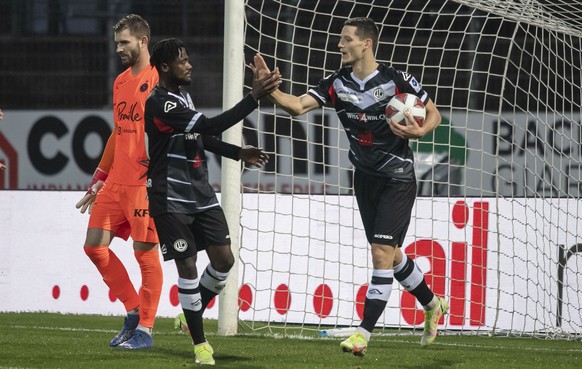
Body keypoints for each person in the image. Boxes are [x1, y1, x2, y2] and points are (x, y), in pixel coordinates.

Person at [253, 17, 448, 355]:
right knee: (391, 253)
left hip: (397, 177)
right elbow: (297, 105)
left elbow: (434, 113)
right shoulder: (336, 83)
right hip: (364, 178)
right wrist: (268, 88)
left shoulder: (396, 80)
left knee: (380, 253)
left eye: (346, 40)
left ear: (366, 44)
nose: (339, 45)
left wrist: (420, 131)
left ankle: (363, 333)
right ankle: (432, 304)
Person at [145, 38, 280, 365]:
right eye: (183, 60)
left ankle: (187, 315)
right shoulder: (159, 102)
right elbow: (209, 124)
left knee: (224, 262)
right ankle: (200, 344)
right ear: (165, 68)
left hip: (201, 195)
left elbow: (199, 135)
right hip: (170, 199)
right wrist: (253, 98)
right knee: (188, 266)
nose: (189, 64)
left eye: (189, 58)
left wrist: (237, 153)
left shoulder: (182, 97)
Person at [75, 14, 162, 350]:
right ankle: (133, 310)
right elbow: (118, 131)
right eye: (116, 43)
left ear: (143, 40)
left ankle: (146, 330)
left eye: (124, 42)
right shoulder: (121, 81)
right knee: (94, 247)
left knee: (145, 253)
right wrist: (99, 177)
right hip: (116, 182)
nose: (118, 49)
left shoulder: (158, 79)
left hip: (144, 184)